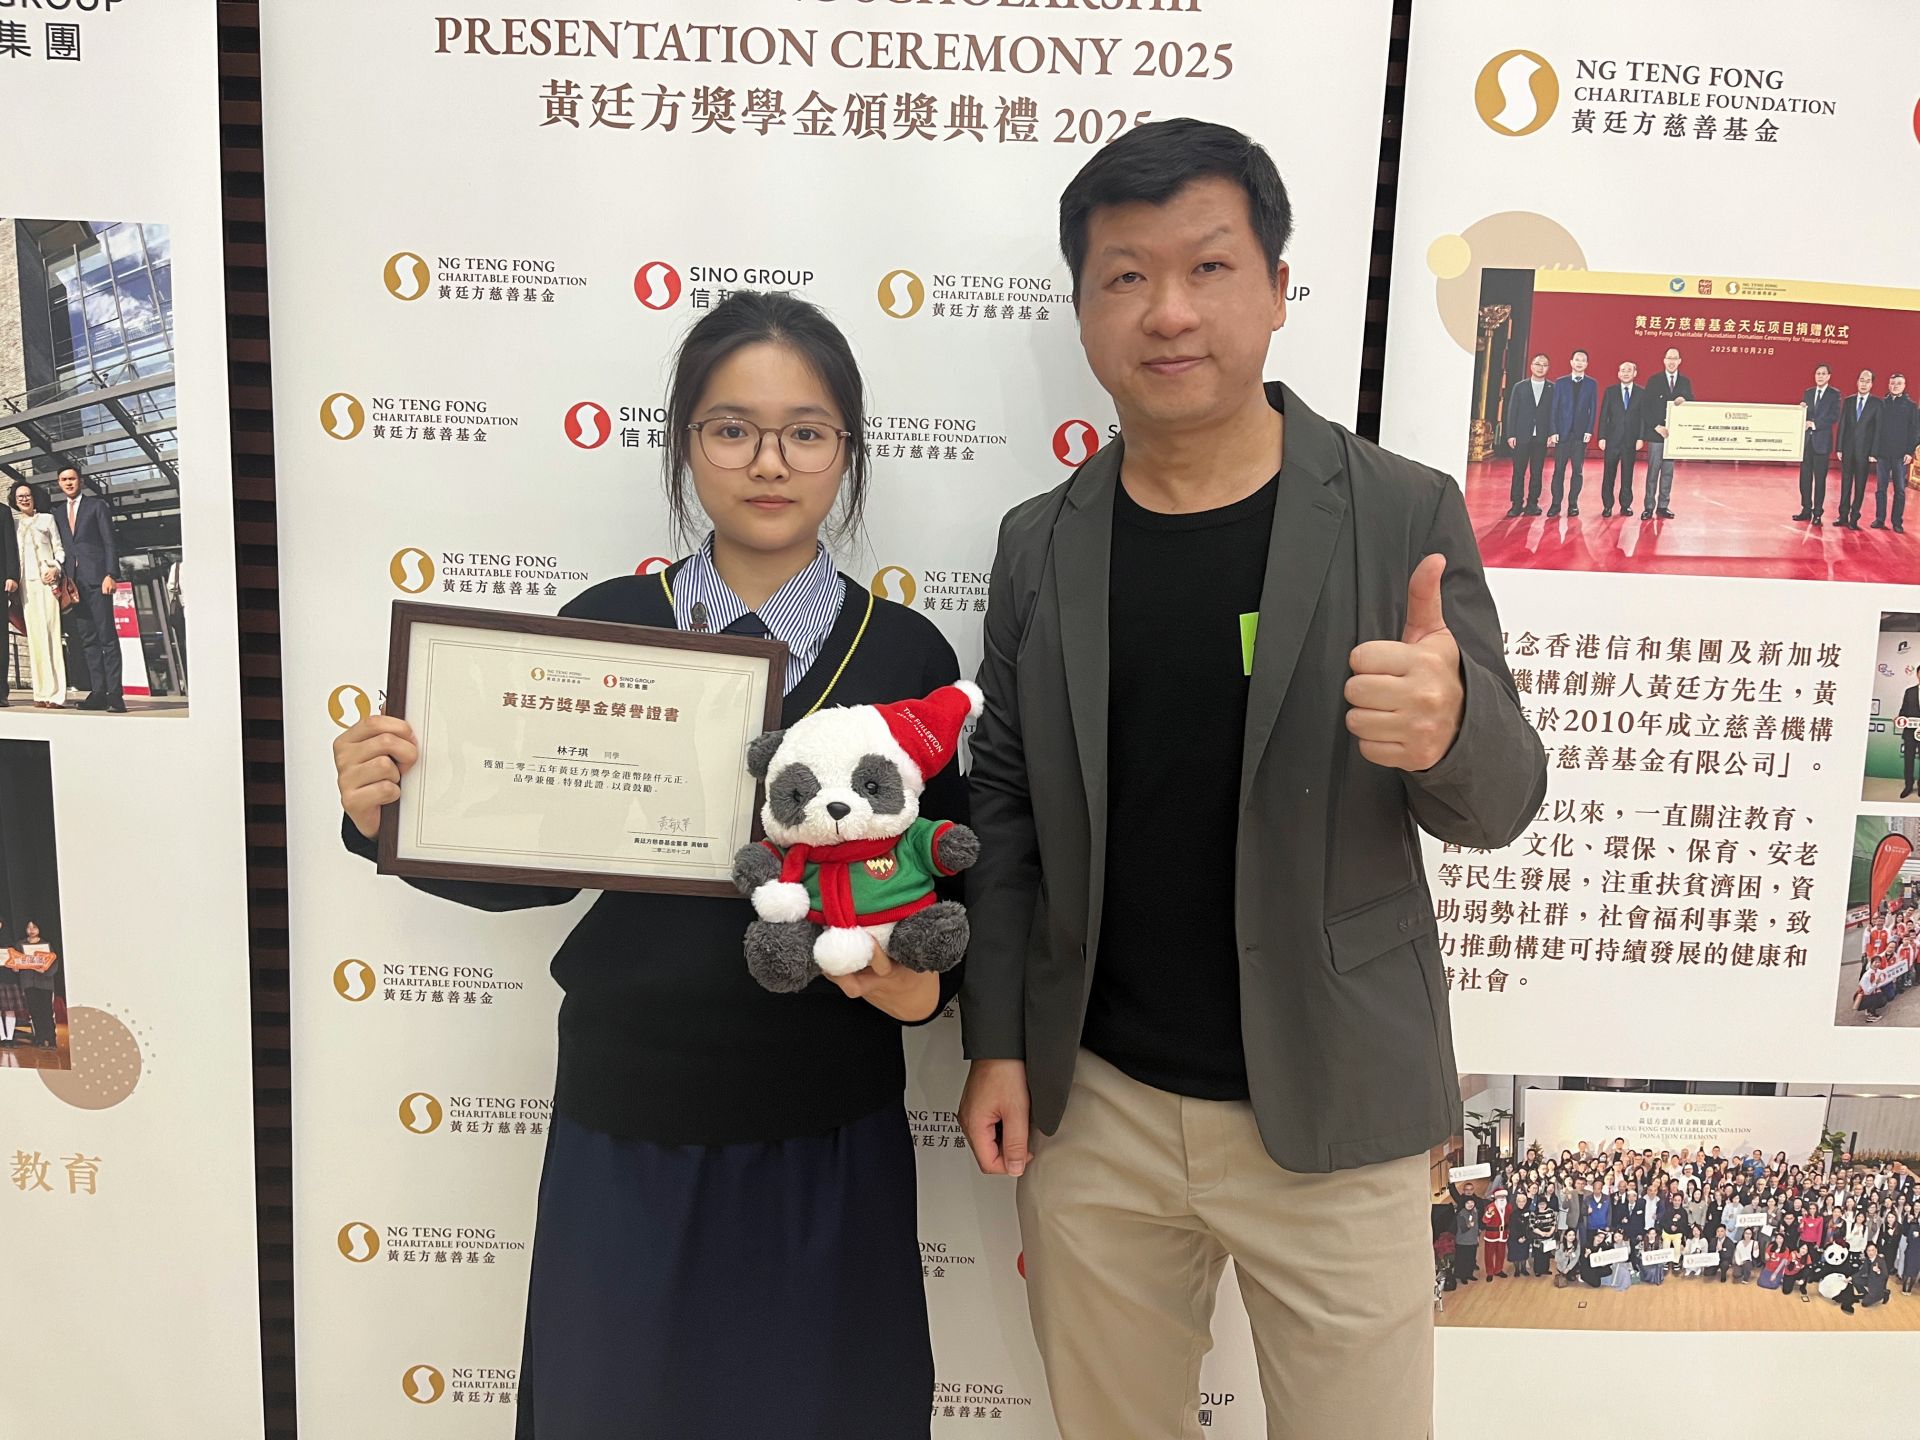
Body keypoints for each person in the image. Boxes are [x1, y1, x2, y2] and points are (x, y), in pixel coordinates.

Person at [956, 119, 1545, 1440]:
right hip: (1097, 1104)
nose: (1168, 311)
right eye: (1126, 276)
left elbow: (1501, 804)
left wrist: (1451, 728)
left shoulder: (1398, 511)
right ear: (1084, 309)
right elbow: (1007, 802)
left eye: (1209, 267)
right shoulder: (1041, 544)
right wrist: (996, 1038)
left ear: (1278, 289)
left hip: (1340, 1100)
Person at [331, 291, 964, 1438]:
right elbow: (528, 862)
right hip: (627, 1121)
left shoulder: (907, 652)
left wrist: (920, 986)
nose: (768, 462)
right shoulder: (611, 624)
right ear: (684, 443)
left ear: (847, 450)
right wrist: (389, 807)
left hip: (826, 1125)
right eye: (732, 428)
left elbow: (947, 887)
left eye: (805, 432)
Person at [49, 467, 125, 712]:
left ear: (80, 481)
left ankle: (115, 695)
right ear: (59, 483)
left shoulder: (97, 506)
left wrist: (111, 574)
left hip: (97, 580)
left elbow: (109, 541)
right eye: (63, 480)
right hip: (74, 585)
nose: (68, 483)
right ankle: (98, 692)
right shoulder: (57, 513)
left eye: (72, 478)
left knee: (107, 637)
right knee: (88, 640)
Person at [9, 483, 68, 710]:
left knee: (51, 633)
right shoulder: (15, 525)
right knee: (34, 638)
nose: (24, 499)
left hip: (47, 583)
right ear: (14, 500)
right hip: (26, 586)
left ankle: (56, 694)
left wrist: (55, 567)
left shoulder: (47, 519)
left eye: (28, 495)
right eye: (20, 496)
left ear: (34, 497)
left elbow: (59, 549)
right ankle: (41, 692)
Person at [1640, 347, 1692, 520]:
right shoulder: (1654, 380)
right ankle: (1648, 507)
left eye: (1674, 358)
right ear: (1664, 360)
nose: (1671, 361)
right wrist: (1656, 426)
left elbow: (1692, 403)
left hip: (1673, 436)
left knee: (1668, 472)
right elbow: (1645, 407)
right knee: (1653, 472)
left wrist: (1685, 400)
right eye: (1669, 358)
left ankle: (1663, 506)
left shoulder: (1685, 382)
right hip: (1656, 433)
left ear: (1679, 361)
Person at [1545, 348, 1597, 518]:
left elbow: (1593, 409)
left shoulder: (1591, 384)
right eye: (1577, 359)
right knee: (1558, 470)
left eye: (1583, 360)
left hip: (1580, 435)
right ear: (1571, 362)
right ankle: (1555, 504)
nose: (1579, 363)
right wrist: (1553, 430)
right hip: (1562, 433)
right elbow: (1554, 408)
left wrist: (1589, 430)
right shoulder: (1560, 382)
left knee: (1577, 471)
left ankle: (1573, 504)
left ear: (1587, 364)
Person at [1503, 353, 1554, 517]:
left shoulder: (1552, 388)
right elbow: (1512, 411)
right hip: (1521, 435)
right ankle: (1516, 504)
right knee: (1518, 472)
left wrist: (1552, 434)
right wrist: (1511, 434)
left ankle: (1532, 503)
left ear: (1548, 368)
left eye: (1544, 365)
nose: (1541, 368)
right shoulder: (1520, 387)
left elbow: (1554, 414)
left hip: (1541, 437)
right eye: (1538, 364)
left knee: (1537, 472)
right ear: (1531, 366)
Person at [1596, 360, 1644, 518]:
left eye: (1629, 370)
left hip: (1631, 440)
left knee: (1627, 474)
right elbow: (1604, 416)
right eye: (1623, 370)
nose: (1625, 373)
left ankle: (1625, 505)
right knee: (1609, 474)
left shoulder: (1641, 392)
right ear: (1618, 373)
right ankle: (1607, 505)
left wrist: (1641, 437)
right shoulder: (1610, 391)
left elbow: (1643, 418)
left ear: (1635, 373)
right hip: (1612, 440)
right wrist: (1602, 436)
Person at [1835, 370, 1880, 532]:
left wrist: (1874, 452)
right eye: (1861, 380)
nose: (1864, 383)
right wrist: (1839, 447)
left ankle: (1854, 518)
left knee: (1860, 486)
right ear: (1857, 382)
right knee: (1845, 484)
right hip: (1847, 450)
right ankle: (1842, 516)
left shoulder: (1877, 403)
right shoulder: (1849, 401)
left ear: (1871, 384)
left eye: (1867, 381)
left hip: (1865, 452)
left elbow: (1878, 430)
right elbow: (1842, 425)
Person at [1797, 364, 1841, 524]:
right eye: (1818, 373)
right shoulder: (1808, 392)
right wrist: (1801, 411)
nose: (1820, 376)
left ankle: (1817, 513)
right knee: (1804, 478)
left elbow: (1834, 416)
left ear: (1829, 376)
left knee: (1820, 480)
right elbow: (1805, 415)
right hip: (1807, 443)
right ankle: (1806, 509)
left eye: (1823, 374)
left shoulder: (1834, 394)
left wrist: (1815, 424)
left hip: (1822, 443)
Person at [1871, 373, 1915, 533]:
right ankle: (1879, 519)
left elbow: (1915, 431)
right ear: (1889, 385)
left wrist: (1909, 452)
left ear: (1904, 386)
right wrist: (1874, 451)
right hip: (1883, 454)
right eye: (1892, 383)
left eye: (1898, 383)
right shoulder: (1882, 404)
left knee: (1900, 490)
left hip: (1900, 455)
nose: (1895, 386)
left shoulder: (1911, 406)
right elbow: (1875, 428)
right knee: (1880, 489)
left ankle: (1897, 522)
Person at [16, 920, 59, 1049]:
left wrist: (45, 971)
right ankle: (40, 1038)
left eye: (34, 927)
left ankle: (51, 1039)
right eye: (28, 927)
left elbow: (54, 963)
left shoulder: (46, 944)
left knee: (47, 1011)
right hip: (28, 982)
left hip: (44, 982)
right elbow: (16, 961)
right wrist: (15, 967)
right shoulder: (20, 944)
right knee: (34, 1012)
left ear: (39, 928)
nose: (31, 930)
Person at [0, 916, 25, 1046]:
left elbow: (16, 959)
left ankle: (9, 1038)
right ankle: (2, 1037)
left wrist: (16, 967)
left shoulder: (10, 941)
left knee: (10, 1009)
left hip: (9, 978)